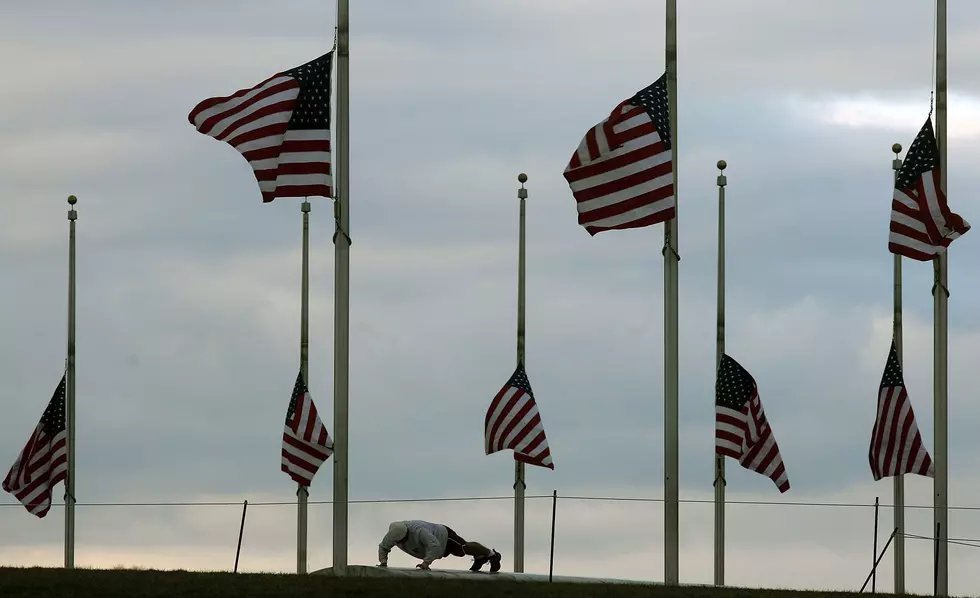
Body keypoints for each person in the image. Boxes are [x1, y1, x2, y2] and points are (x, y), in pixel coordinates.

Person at [377, 520, 502, 572]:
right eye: (400, 541)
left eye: (404, 539)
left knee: (462, 549)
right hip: (435, 546)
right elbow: (383, 547)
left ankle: (492, 555)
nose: (402, 543)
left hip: (443, 535)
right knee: (459, 554)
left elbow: (434, 545)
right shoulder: (393, 535)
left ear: (406, 534)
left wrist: (425, 564)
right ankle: (480, 557)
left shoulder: (419, 532)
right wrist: (383, 562)